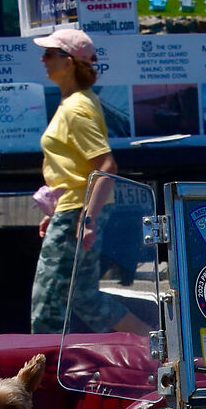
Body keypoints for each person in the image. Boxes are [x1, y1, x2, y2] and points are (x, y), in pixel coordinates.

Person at [30, 26, 133, 335]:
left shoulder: (76, 108)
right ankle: (153, 346)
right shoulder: (78, 101)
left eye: (50, 53)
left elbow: (106, 165)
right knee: (84, 298)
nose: (43, 59)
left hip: (75, 211)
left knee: (45, 308)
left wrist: (86, 218)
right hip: (71, 209)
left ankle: (41, 378)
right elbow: (79, 167)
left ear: (69, 62)